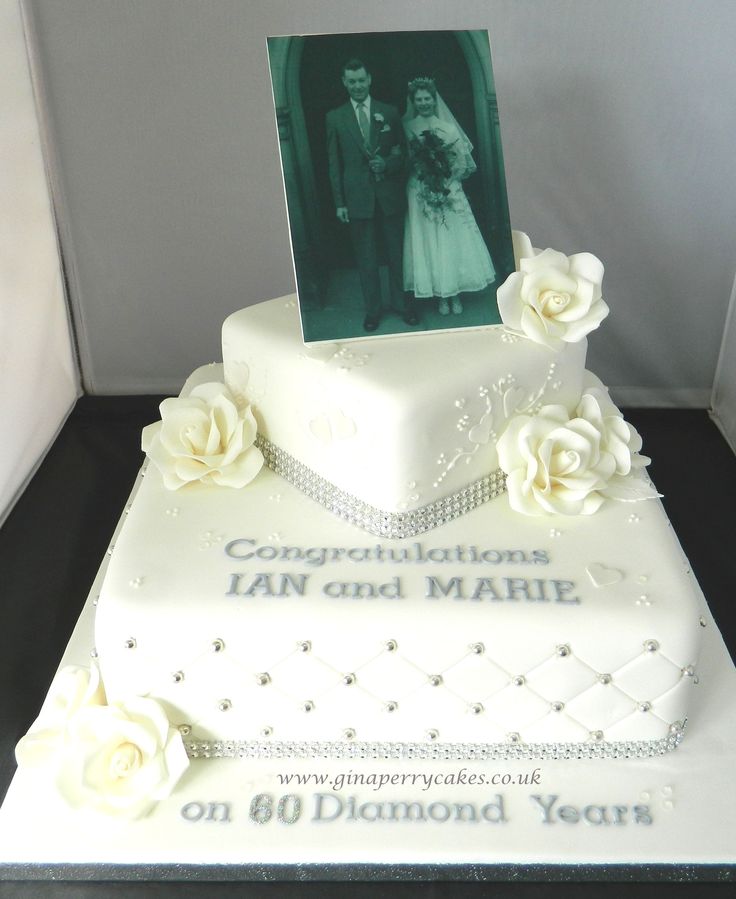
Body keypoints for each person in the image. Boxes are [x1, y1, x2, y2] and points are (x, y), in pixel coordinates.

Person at [326, 59, 418, 332]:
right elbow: (334, 163)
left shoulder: (388, 112)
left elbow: (403, 153)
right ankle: (373, 311)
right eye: (351, 81)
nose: (357, 86)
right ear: (345, 82)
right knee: (366, 257)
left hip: (389, 195)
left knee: (397, 255)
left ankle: (403, 306)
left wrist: (387, 165)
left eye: (361, 80)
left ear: (370, 80)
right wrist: (339, 202)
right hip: (357, 198)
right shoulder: (335, 117)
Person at [402, 77, 495, 316]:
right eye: (419, 99)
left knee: (449, 240)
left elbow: (462, 165)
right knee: (429, 242)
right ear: (413, 101)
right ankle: (441, 296)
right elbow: (404, 161)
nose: (423, 103)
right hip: (419, 190)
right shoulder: (407, 127)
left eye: (427, 99)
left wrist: (443, 177)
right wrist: (424, 175)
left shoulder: (449, 129)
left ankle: (454, 293)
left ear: (434, 100)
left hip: (446, 189)